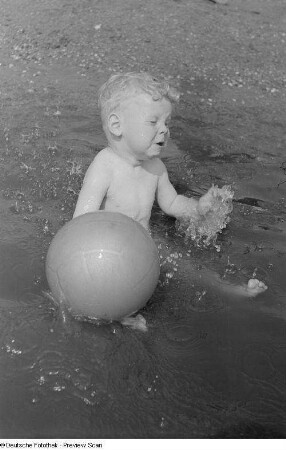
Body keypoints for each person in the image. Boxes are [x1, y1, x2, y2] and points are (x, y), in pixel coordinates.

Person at [73, 72, 267, 329]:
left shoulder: (156, 167)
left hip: (145, 247)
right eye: (153, 121)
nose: (164, 128)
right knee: (112, 281)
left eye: (166, 121)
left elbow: (172, 204)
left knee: (186, 266)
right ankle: (117, 313)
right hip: (109, 254)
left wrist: (199, 208)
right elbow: (81, 223)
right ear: (117, 126)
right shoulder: (104, 166)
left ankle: (229, 289)